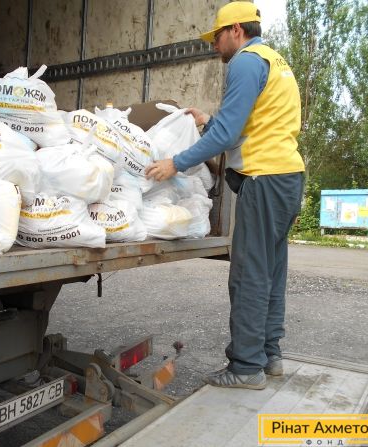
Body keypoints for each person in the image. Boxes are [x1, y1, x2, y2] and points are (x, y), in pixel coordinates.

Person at [145, 1, 305, 390]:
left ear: (236, 30)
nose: (214, 45)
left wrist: (176, 163)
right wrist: (207, 121)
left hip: (264, 179)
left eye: (217, 37)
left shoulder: (245, 63)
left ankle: (246, 367)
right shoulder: (274, 61)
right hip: (287, 176)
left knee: (249, 274)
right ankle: (269, 356)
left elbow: (229, 135)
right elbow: (250, 126)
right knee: (270, 271)